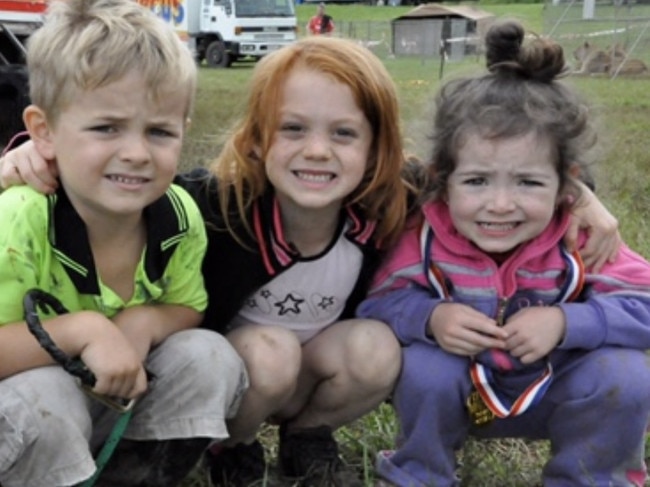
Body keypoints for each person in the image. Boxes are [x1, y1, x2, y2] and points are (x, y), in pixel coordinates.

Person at [0, 36, 623, 486]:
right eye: (292, 129)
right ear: (258, 139)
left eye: (345, 134)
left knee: (376, 346)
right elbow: (123, 178)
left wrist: (581, 195)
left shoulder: (391, 201)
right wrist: (27, 156)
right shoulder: (216, 204)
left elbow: (485, 178)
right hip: (244, 374)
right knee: (268, 350)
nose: (317, 152)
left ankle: (306, 437)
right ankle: (231, 449)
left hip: (317, 370)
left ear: (378, 147)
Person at [357, 20, 650, 487]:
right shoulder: (424, 238)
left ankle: (593, 478)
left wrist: (567, 323)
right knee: (425, 368)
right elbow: (377, 303)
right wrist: (431, 318)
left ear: (566, 183)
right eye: (476, 181)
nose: (499, 204)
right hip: (463, 391)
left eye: (529, 182)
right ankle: (420, 473)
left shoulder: (583, 239)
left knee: (627, 374)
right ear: (442, 180)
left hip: (561, 390)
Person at [0, 0, 247, 486]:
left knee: (208, 355)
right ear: (43, 132)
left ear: (183, 133)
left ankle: (134, 475)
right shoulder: (20, 219)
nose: (135, 153)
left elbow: (187, 305)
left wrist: (143, 322)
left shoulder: (178, 214)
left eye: (158, 131)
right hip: (20, 417)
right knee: (46, 393)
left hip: (104, 405)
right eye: (106, 128)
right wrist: (85, 331)